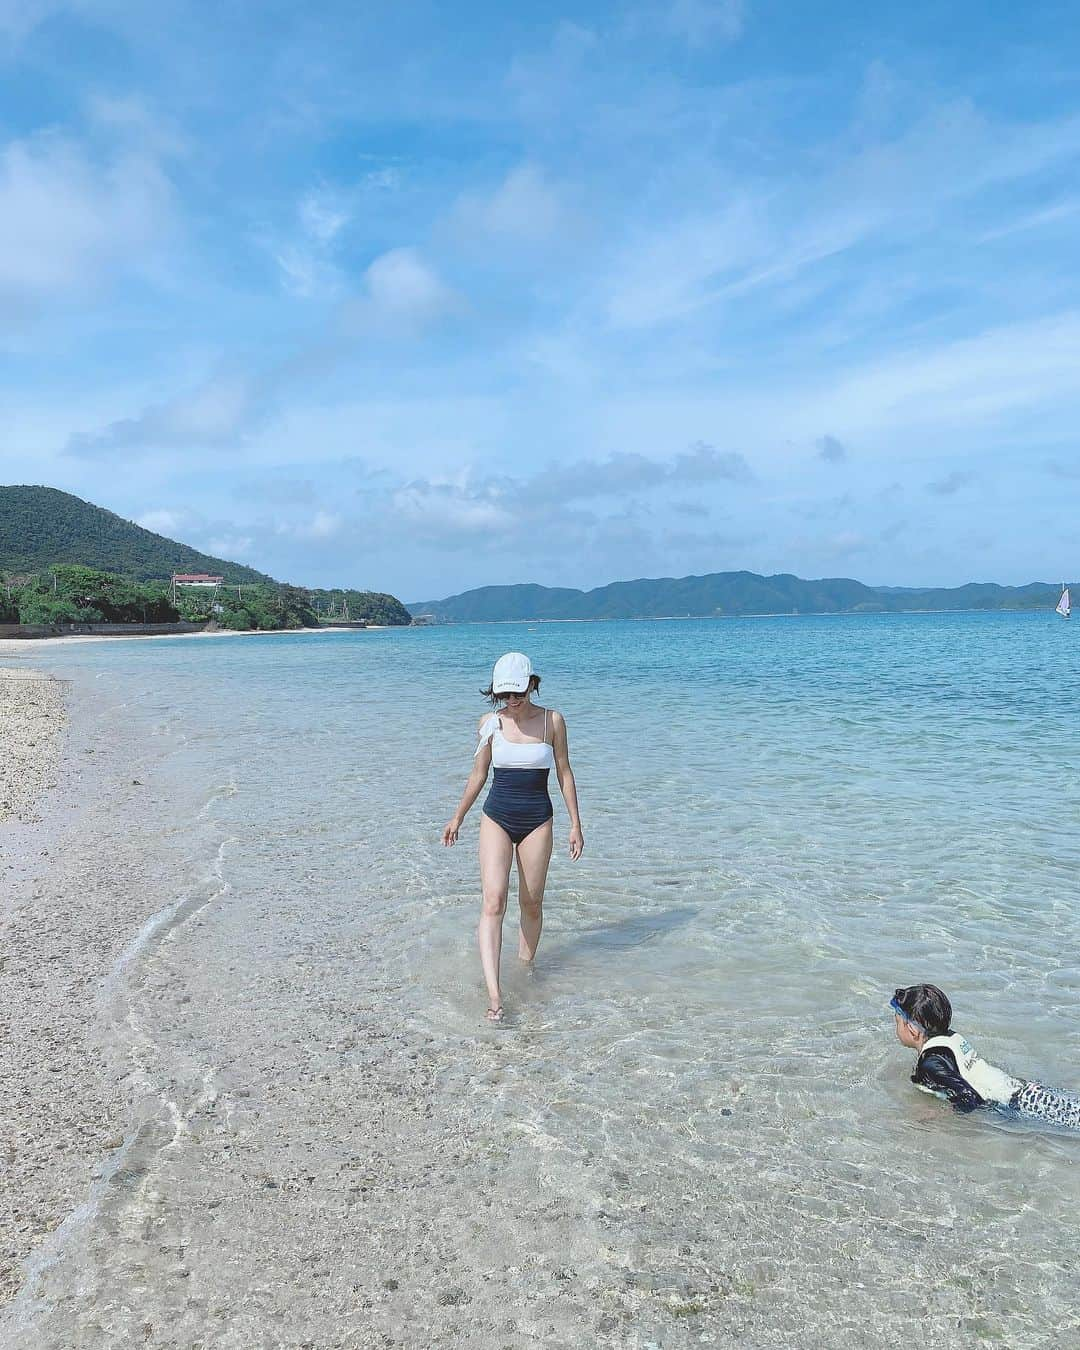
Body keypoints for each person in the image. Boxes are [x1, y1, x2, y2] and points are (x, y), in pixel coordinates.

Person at [443, 652, 584, 1023]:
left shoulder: (553, 721)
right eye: (504, 695)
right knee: (493, 901)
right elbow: (478, 775)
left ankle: (525, 968)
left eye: (517, 693)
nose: (512, 701)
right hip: (497, 817)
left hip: (538, 819)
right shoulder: (490, 723)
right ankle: (495, 995)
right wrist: (457, 817)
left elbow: (565, 774)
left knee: (532, 901)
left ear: (531, 685)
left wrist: (575, 824)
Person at [890, 984, 1080, 1129]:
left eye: (897, 1021)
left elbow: (969, 1097)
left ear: (912, 1030)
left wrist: (937, 1114)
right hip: (1027, 1090)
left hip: (1019, 1106)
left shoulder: (930, 1063)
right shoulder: (949, 1037)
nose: (896, 1028)